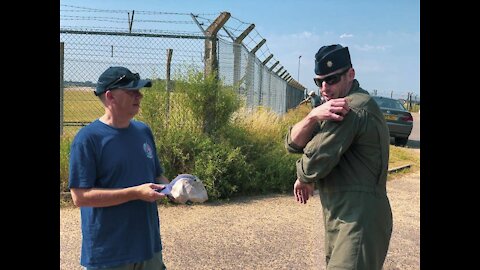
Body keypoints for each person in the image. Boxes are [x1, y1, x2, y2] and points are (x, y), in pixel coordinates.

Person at [284, 44, 392, 269]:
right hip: (343, 216)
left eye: (332, 79)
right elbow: (293, 143)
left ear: (350, 74)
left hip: (358, 218)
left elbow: (317, 157)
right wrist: (313, 115)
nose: (324, 87)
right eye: (319, 81)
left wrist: (304, 176)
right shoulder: (331, 107)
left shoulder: (351, 108)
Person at [68, 66, 170, 270]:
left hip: (148, 247)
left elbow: (157, 176)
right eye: (131, 91)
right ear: (110, 97)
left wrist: (175, 188)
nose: (139, 96)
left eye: (139, 91)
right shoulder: (88, 139)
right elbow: (80, 197)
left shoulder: (143, 131)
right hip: (110, 253)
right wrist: (135, 193)